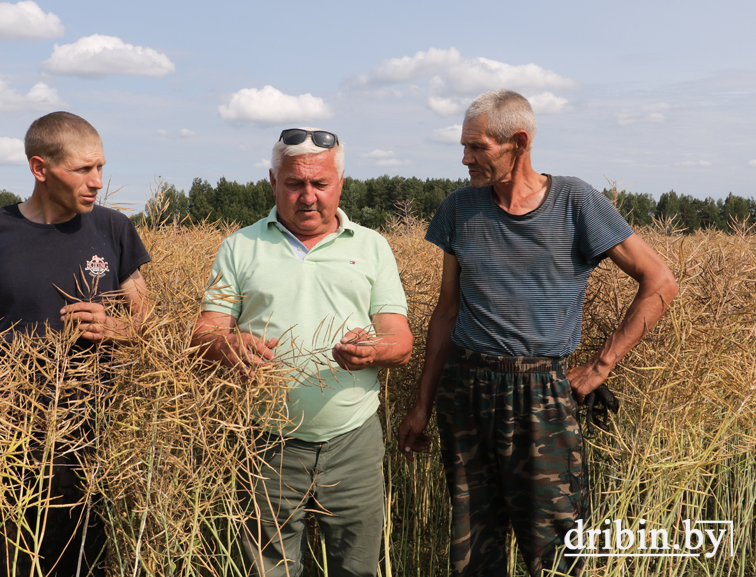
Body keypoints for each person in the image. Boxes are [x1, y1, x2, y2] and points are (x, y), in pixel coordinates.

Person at [397, 90, 678, 576]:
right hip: (467, 391)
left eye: (477, 147)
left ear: (519, 142)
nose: (465, 159)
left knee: (558, 550)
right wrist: (423, 403)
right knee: (471, 547)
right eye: (464, 147)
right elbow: (447, 311)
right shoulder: (460, 209)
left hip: (544, 395)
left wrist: (598, 368)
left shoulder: (577, 202)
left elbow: (660, 282)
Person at [192, 128, 413, 577]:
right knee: (266, 569)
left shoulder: (371, 246)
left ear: (341, 183)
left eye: (320, 184)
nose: (308, 196)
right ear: (273, 182)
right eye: (295, 184)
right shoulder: (240, 246)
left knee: (357, 567)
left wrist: (372, 351)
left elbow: (401, 341)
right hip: (266, 443)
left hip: (353, 441)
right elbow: (203, 334)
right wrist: (231, 345)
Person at [0, 111, 151, 577]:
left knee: (79, 559)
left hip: (90, 436)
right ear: (39, 168)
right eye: (83, 169)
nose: (97, 181)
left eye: (100, 167)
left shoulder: (115, 230)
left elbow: (149, 327)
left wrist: (111, 326)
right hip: (1, 434)